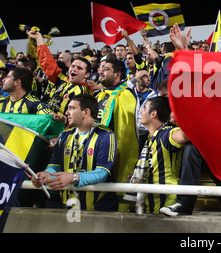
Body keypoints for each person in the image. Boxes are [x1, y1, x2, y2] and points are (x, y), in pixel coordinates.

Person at [31, 94, 118, 211]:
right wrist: (46, 175)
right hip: (67, 205)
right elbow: (55, 165)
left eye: (71, 108)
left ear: (85, 112)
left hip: (97, 208)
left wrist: (73, 177)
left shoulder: (106, 135)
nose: (66, 112)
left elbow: (102, 173)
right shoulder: (65, 135)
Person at [128, 96, 189, 214]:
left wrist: (181, 118)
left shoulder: (166, 134)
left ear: (153, 114)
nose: (141, 111)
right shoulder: (150, 138)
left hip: (166, 203)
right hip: (149, 202)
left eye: (145, 108)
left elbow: (184, 135)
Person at [96, 57, 140, 211]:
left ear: (117, 75)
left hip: (116, 157)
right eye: (100, 68)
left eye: (106, 68)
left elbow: (129, 131)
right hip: (97, 154)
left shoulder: (125, 94)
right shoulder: (100, 95)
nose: (101, 71)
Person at [28, 31, 93, 116]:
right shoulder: (61, 78)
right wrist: (39, 39)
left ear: (87, 74)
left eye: (79, 68)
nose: (74, 69)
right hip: (46, 122)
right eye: (73, 66)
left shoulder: (84, 91)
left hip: (63, 128)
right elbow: (46, 61)